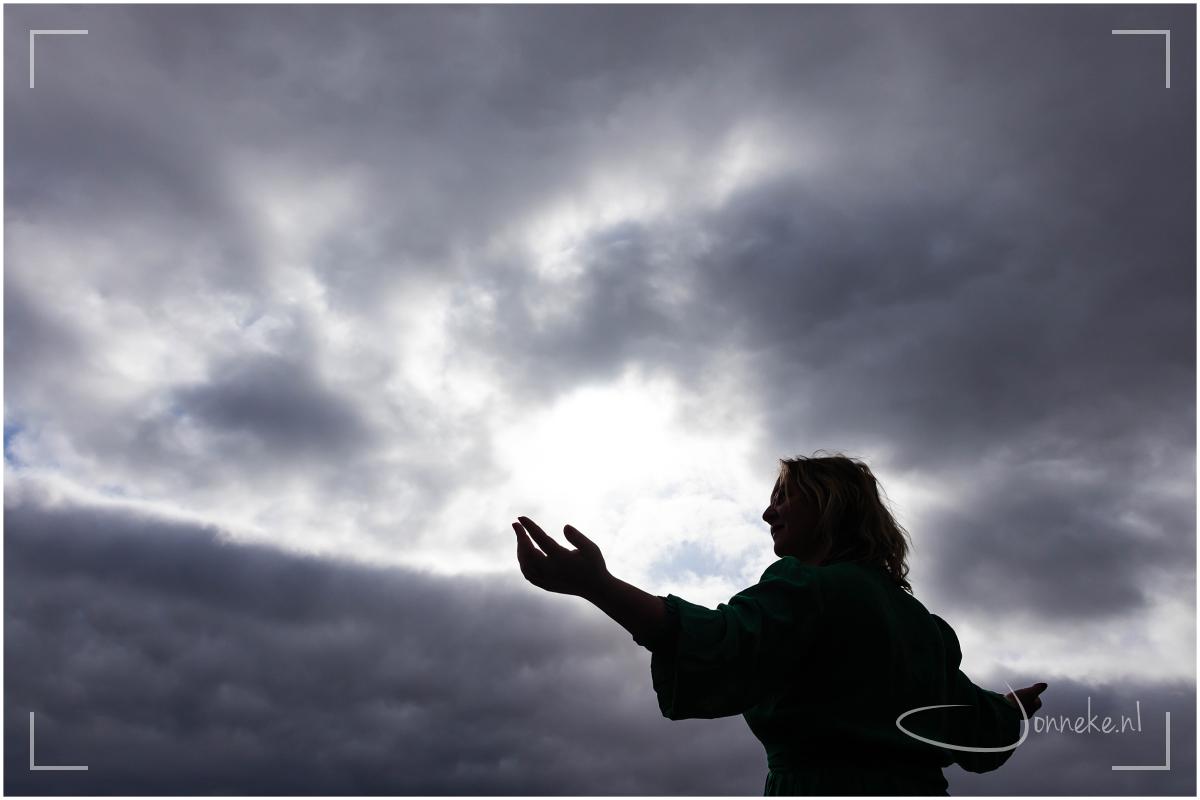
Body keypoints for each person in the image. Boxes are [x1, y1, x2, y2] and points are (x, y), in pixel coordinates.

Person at [511, 452, 1048, 796]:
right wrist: (1009, 710)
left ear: (831, 506)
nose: (768, 514)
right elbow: (976, 728)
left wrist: (598, 586)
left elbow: (722, 643)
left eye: (783, 498)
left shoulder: (807, 587)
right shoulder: (926, 629)